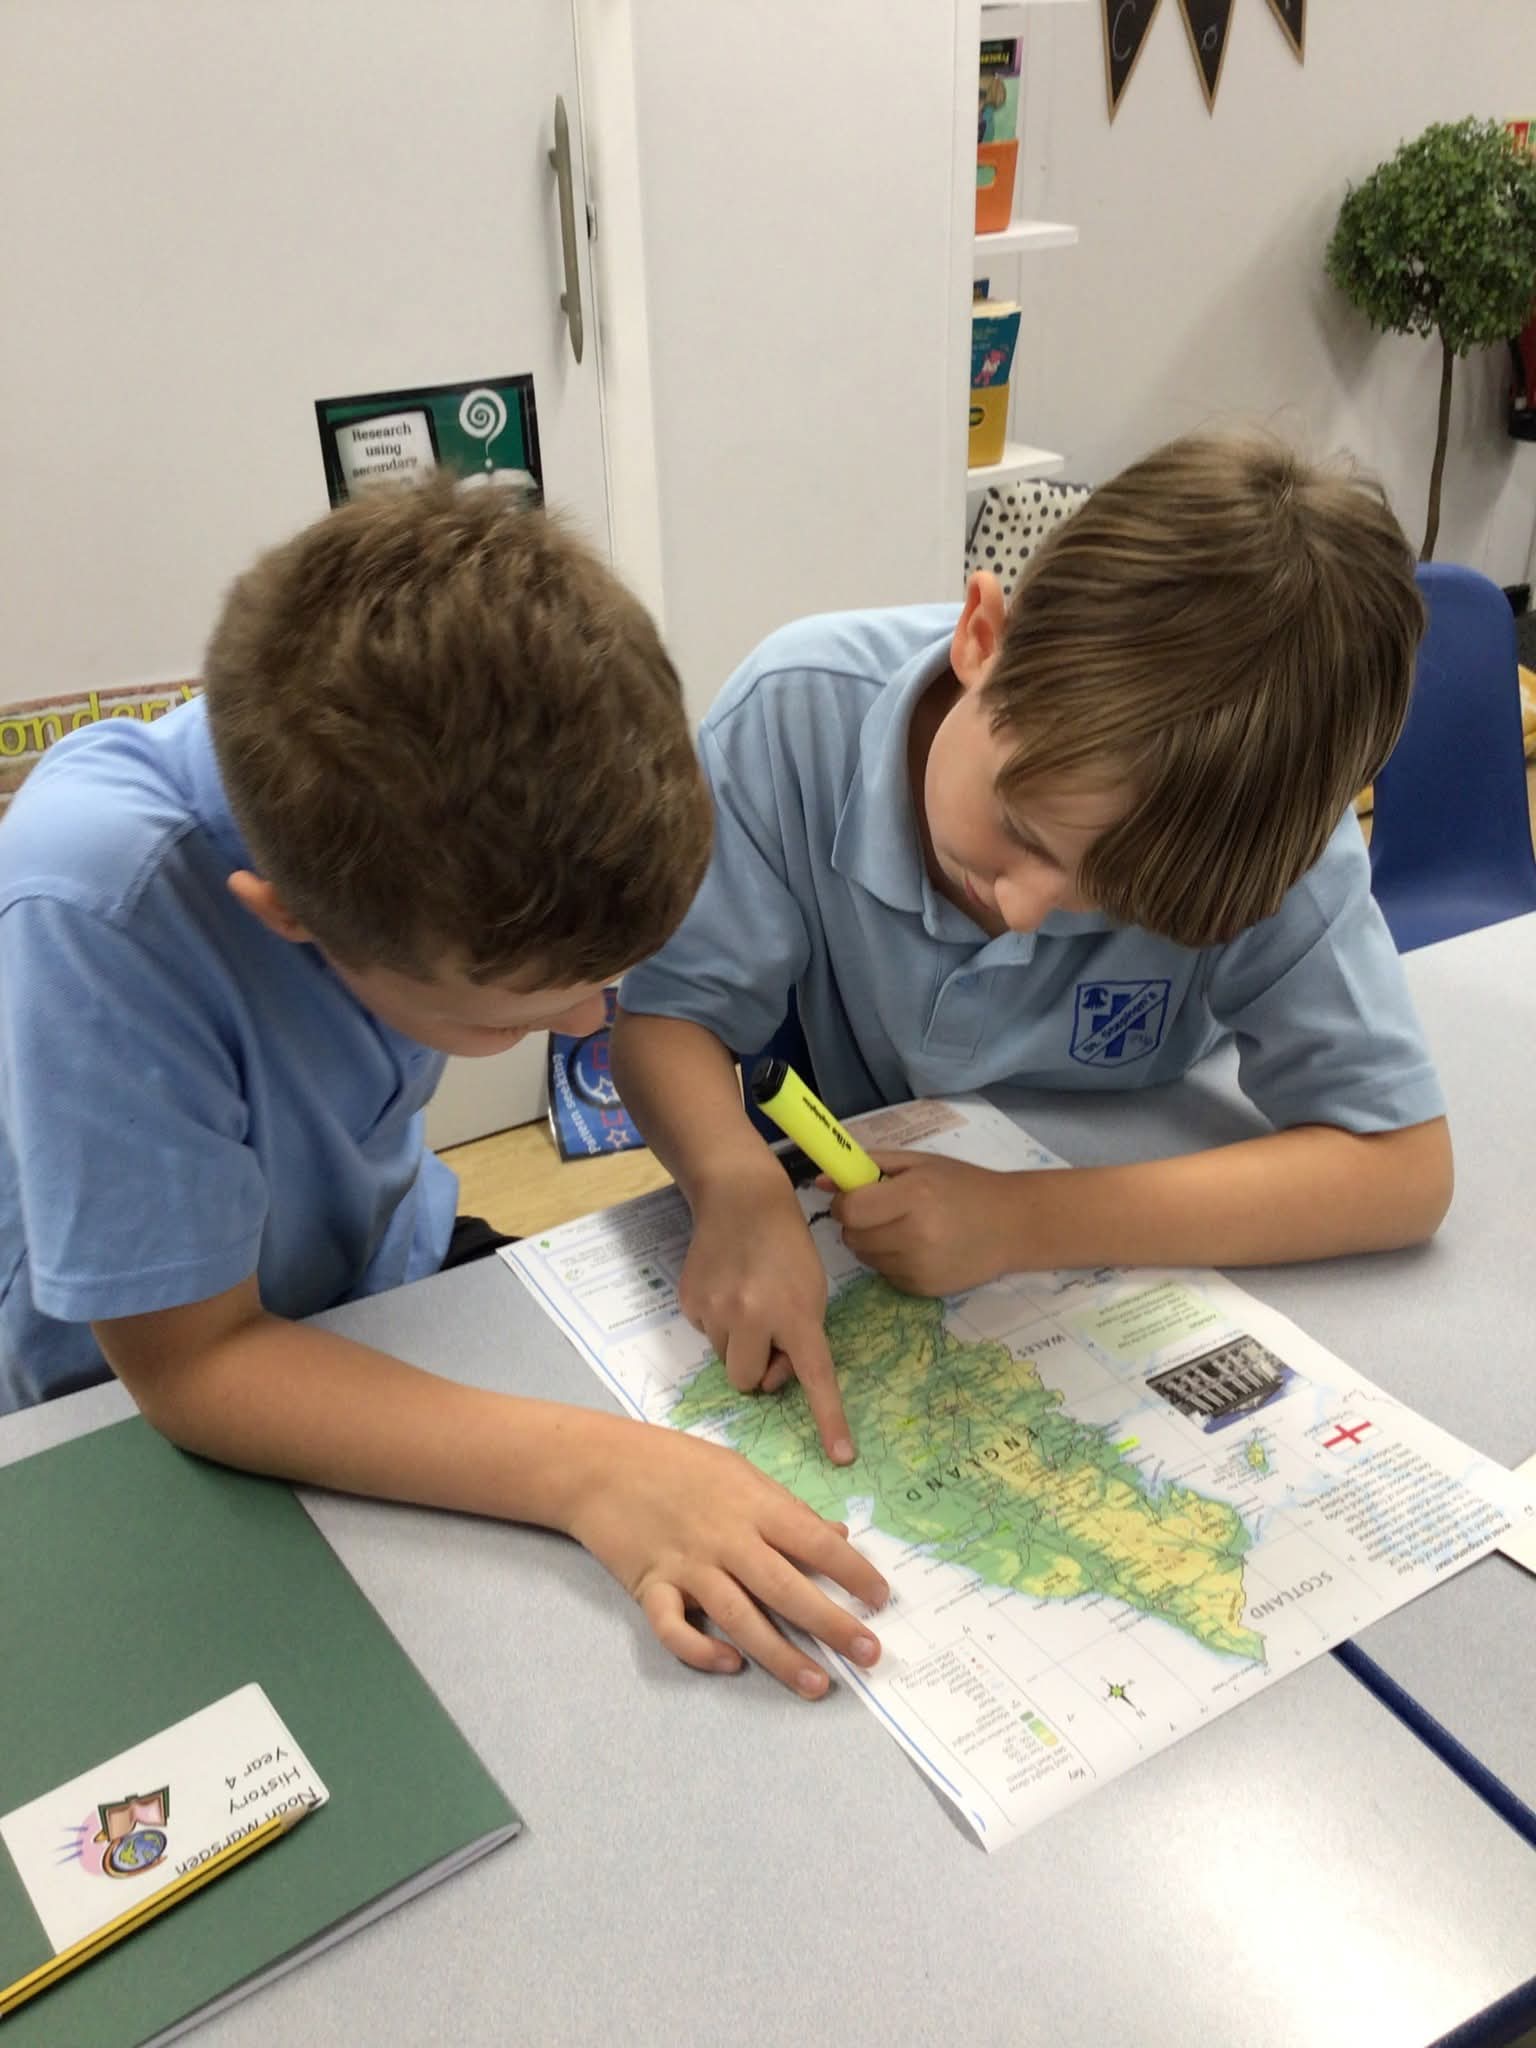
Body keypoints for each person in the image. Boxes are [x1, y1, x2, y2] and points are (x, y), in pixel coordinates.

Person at [0, 478, 886, 1698]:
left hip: (382, 1277)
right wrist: (595, 1471)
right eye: (510, 1016)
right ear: (290, 919)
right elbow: (192, 1366)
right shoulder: (94, 905)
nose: (588, 1026)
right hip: (140, 1392)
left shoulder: (429, 819)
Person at [612, 428, 1451, 1464]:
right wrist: (733, 1185)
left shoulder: (1253, 836)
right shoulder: (791, 714)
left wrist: (1025, 1221)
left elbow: (1404, 1169)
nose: (1021, 911)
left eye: (1114, 901)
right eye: (1019, 829)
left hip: (1121, 1227)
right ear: (982, 637)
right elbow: (667, 1016)